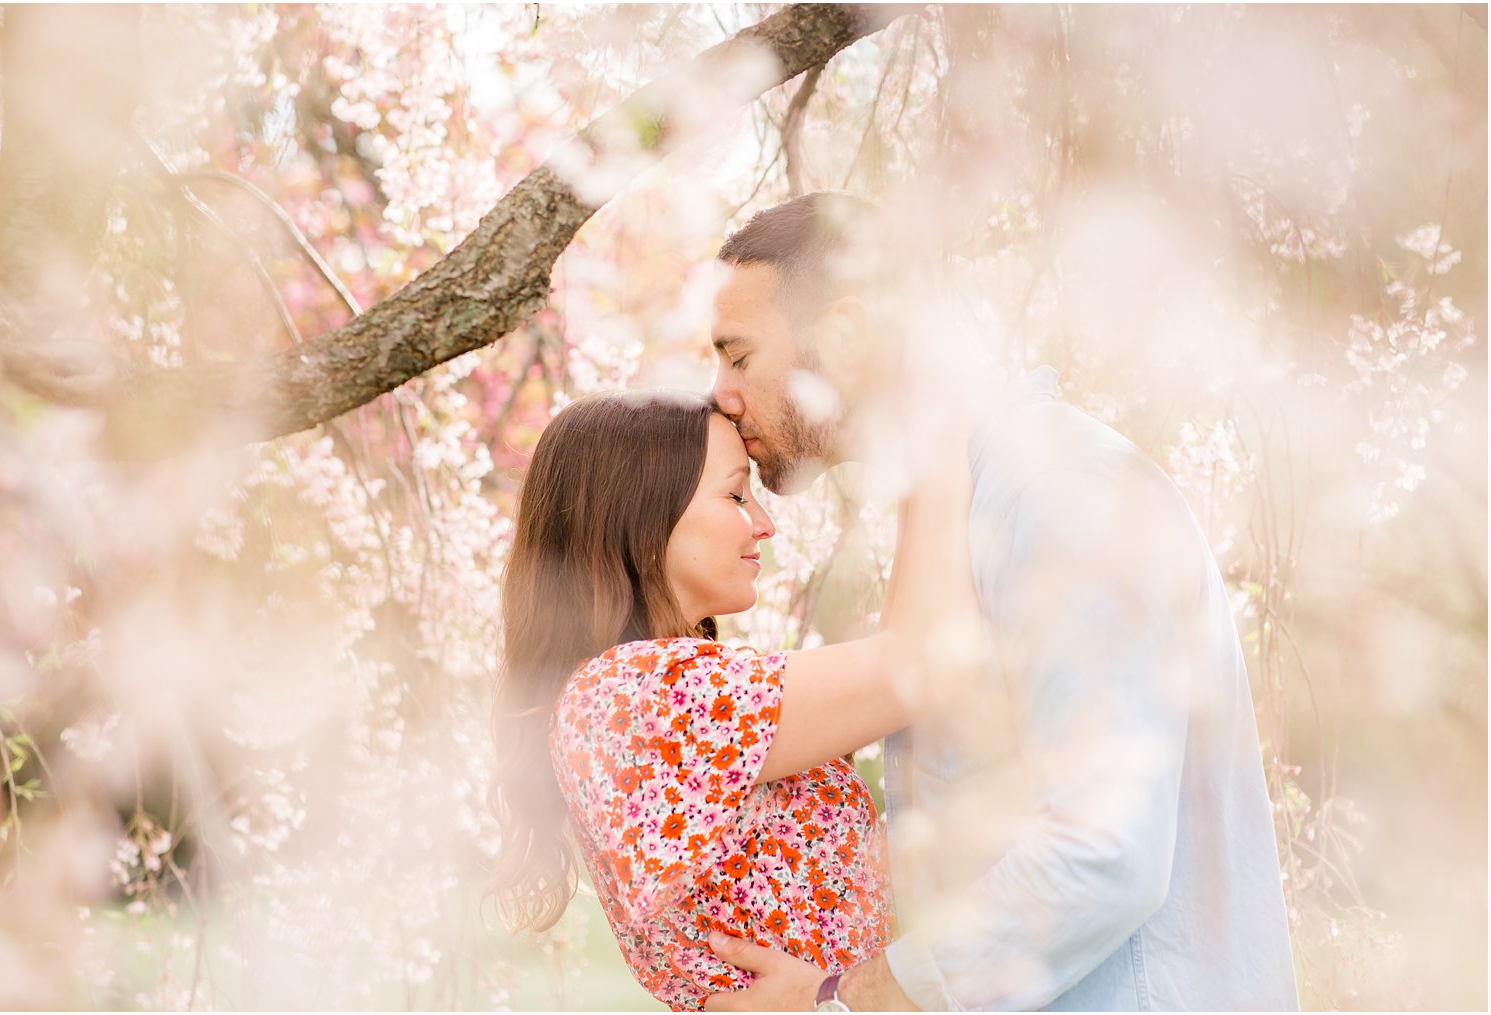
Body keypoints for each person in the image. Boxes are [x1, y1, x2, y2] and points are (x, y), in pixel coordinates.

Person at [702, 192, 1299, 1011]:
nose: (722, 395)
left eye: (737, 356)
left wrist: (844, 1003)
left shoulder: (1059, 490)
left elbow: (1104, 851)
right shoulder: (961, 515)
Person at [487, 389, 982, 1011]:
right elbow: (920, 663)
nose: (765, 523)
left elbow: (899, 659)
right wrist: (932, 443)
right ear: (643, 513)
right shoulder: (645, 695)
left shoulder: (636, 689)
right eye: (734, 494)